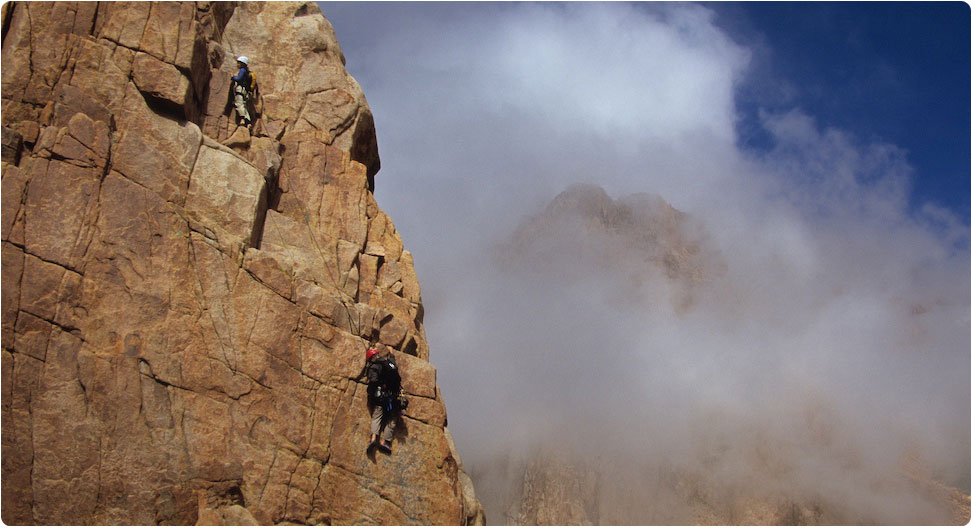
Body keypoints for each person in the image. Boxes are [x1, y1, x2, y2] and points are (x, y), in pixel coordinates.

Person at [362, 345, 402, 455]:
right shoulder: (389, 363)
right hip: (393, 397)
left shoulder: (375, 366)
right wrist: (392, 353)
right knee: (392, 418)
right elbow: (394, 365)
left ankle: (374, 438)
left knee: (377, 415)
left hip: (381, 397)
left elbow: (373, 381)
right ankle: (386, 441)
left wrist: (370, 393)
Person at [230, 56, 252, 127]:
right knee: (244, 106)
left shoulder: (242, 70)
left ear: (242, 64)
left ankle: (242, 119)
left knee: (239, 103)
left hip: (240, 89)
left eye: (238, 63)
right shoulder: (246, 72)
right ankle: (248, 123)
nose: (237, 65)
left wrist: (232, 77)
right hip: (245, 91)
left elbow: (239, 79)